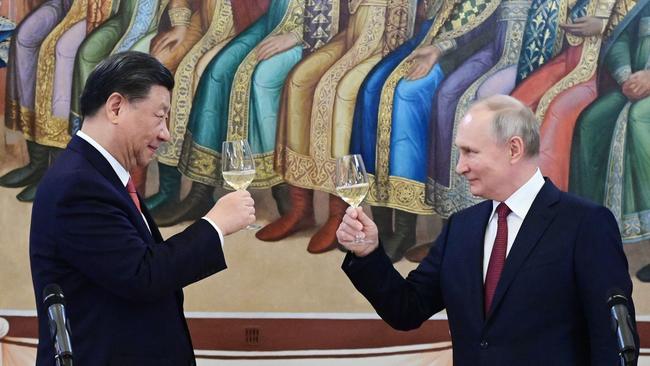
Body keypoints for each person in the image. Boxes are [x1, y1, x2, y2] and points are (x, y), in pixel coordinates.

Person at [337, 94, 638, 364]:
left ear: (514, 149)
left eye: (470, 152)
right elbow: (406, 309)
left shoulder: (585, 224)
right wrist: (368, 254)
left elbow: (610, 343)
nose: (459, 167)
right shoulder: (461, 228)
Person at [29, 51, 255, 365]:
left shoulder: (98, 176)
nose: (165, 133)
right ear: (116, 107)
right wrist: (215, 225)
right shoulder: (77, 185)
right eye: (160, 116)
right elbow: (141, 274)